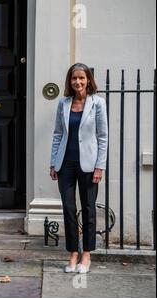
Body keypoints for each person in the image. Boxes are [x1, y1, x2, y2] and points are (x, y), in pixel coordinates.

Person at [50, 63, 108, 274]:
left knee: (89, 208)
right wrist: (53, 161)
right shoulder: (63, 103)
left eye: (82, 78)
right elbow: (58, 134)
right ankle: (73, 252)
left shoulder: (98, 104)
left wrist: (100, 166)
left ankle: (87, 255)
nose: (78, 82)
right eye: (74, 78)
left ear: (88, 81)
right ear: (70, 81)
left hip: (89, 164)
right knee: (68, 208)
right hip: (65, 163)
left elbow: (103, 136)